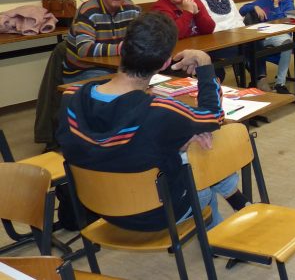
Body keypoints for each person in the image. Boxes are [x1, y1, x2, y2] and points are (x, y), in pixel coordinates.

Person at [56, 13, 248, 232]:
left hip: (100, 206)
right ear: (166, 63)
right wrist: (204, 64)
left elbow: (117, 136)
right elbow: (214, 116)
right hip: (158, 213)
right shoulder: (159, 110)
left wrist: (180, 138)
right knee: (208, 145)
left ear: (121, 48)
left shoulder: (70, 98)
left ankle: (218, 226)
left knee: (188, 140)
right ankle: (233, 215)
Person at [63, 0, 141, 83]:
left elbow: (142, 38)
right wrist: (120, 49)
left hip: (117, 67)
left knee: (148, 77)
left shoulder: (131, 9)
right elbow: (84, 49)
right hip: (83, 70)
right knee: (120, 84)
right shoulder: (88, 12)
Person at [240, 0, 295, 94]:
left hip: (281, 34)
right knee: (249, 44)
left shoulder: (288, 2)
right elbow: (242, 9)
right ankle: (258, 78)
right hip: (264, 35)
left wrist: (276, 6)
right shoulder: (264, 0)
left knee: (287, 43)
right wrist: (254, 6)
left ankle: (280, 83)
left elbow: (285, 22)